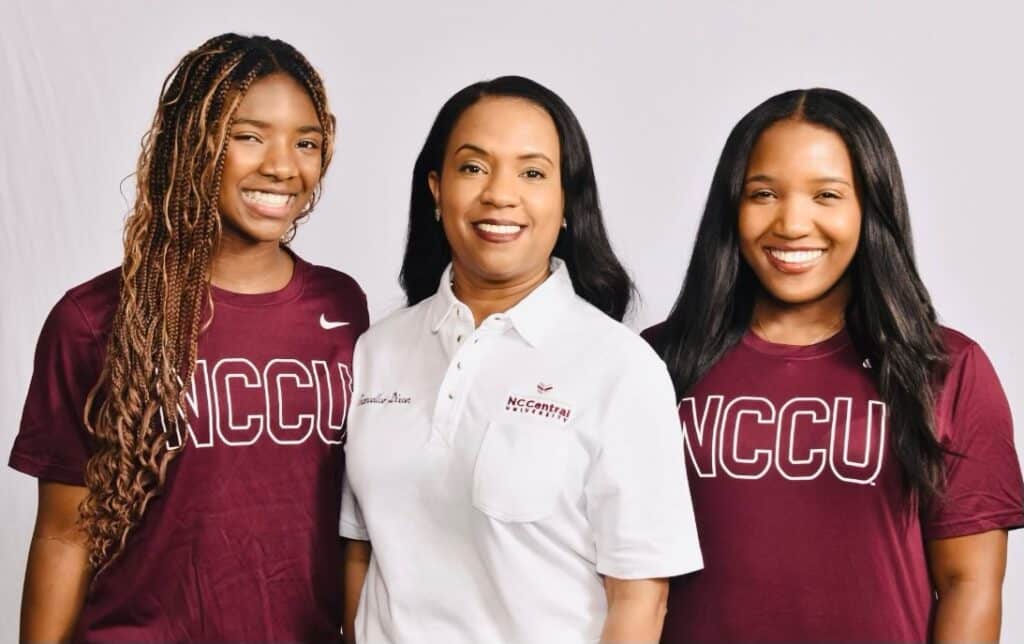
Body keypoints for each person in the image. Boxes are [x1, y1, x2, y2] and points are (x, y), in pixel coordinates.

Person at [10, 33, 369, 641]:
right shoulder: (93, 318)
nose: (283, 166)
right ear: (192, 144)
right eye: (248, 135)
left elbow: (360, 524)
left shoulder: (342, 306)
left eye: (305, 142)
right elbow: (64, 533)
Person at [645, 88, 1024, 642]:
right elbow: (622, 579)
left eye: (827, 194)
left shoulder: (945, 367)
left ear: (870, 207)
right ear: (732, 206)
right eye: (764, 193)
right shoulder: (653, 363)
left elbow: (971, 583)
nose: (793, 223)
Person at [340, 76, 702, 643]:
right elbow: (362, 553)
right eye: (473, 167)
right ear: (436, 190)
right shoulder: (377, 351)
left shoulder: (621, 368)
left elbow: (639, 599)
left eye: (532, 173)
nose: (499, 195)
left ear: (565, 205)